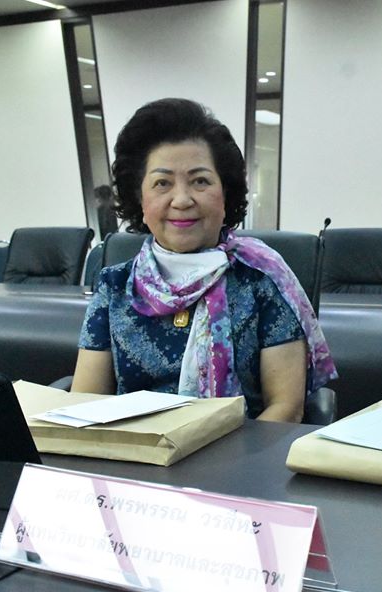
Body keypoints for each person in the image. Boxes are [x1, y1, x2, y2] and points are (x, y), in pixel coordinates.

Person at [72, 98, 336, 422]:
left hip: (241, 449)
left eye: (200, 181)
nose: (182, 200)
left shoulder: (263, 281)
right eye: (162, 183)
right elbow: (86, 405)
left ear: (225, 194)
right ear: (140, 198)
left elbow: (286, 408)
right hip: (132, 449)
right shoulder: (114, 286)